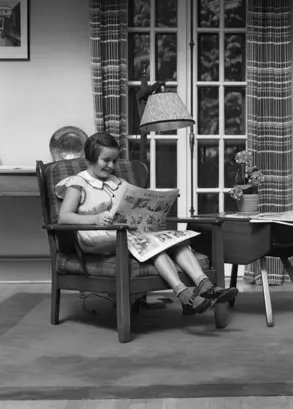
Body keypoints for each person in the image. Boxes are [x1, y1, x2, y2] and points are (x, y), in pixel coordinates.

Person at [56, 131, 238, 314]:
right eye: (106, 160)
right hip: (95, 236)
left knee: (173, 241)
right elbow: (64, 217)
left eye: (114, 160)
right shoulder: (78, 183)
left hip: (126, 234)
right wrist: (94, 219)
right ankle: (183, 293)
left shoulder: (118, 182)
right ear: (90, 159)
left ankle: (203, 285)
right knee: (152, 245)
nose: (111, 165)